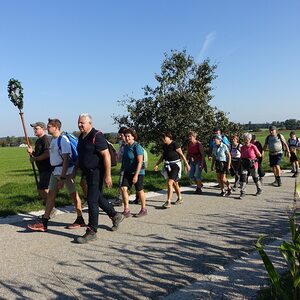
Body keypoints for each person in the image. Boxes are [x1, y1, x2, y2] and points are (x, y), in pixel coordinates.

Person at [27, 118, 86, 232]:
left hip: (65, 173)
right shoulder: (53, 140)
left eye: (49, 126)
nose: (48, 128)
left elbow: (66, 160)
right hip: (55, 172)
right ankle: (44, 223)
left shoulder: (62, 140)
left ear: (56, 128)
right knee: (50, 196)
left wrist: (62, 178)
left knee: (74, 196)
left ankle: (80, 219)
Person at [75, 113, 124, 244]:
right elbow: (81, 156)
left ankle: (92, 231)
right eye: (79, 122)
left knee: (92, 201)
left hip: (97, 172)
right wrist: (76, 171)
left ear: (90, 123)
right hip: (87, 172)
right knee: (97, 197)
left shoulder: (97, 135)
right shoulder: (82, 137)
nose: (80, 124)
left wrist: (107, 175)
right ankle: (115, 215)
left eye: (82, 123)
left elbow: (106, 156)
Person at [154, 132, 190, 208]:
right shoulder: (164, 146)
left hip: (175, 166)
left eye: (164, 138)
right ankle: (180, 198)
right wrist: (157, 164)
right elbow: (163, 156)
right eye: (162, 138)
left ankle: (168, 201)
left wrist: (187, 165)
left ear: (169, 137)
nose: (163, 139)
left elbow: (181, 154)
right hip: (168, 166)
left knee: (170, 183)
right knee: (175, 183)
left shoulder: (175, 144)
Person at [120, 128, 147, 217]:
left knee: (139, 190)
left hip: (138, 172)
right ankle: (126, 209)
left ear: (133, 137)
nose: (127, 138)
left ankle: (143, 209)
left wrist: (136, 175)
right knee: (123, 188)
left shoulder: (137, 146)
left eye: (129, 136)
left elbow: (140, 162)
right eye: (126, 136)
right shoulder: (126, 147)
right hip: (128, 171)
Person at [27, 122, 51, 204]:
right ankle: (49, 209)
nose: (34, 130)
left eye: (36, 128)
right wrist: (32, 152)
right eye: (34, 128)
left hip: (47, 169)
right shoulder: (38, 141)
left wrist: (35, 158)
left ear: (43, 129)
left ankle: (51, 208)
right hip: (42, 169)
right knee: (43, 189)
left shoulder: (46, 139)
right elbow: (38, 155)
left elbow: (47, 154)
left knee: (41, 189)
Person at [239, 133, 262, 199]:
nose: (246, 141)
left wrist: (255, 159)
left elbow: (259, 155)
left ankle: (259, 189)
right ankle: (243, 192)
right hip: (244, 164)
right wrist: (240, 163)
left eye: (247, 139)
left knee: (255, 177)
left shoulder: (253, 147)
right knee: (243, 177)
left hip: (253, 164)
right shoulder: (242, 147)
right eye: (244, 139)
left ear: (250, 139)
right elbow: (241, 156)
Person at [112, 126, 127, 207]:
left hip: (132, 166)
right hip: (124, 165)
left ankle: (138, 197)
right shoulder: (121, 143)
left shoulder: (130, 143)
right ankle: (119, 199)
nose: (120, 136)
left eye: (121, 135)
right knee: (121, 182)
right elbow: (119, 154)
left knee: (134, 183)